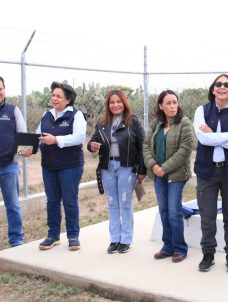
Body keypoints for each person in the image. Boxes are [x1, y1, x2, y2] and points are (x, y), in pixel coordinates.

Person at [193, 74, 228, 273]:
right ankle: (208, 254)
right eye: (218, 84)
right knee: (207, 216)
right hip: (206, 173)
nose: (222, 87)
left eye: (227, 85)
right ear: (213, 89)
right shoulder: (202, 111)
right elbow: (203, 139)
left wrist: (214, 135)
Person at [88, 90, 146, 254]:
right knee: (112, 203)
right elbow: (93, 141)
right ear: (108, 105)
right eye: (112, 102)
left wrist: (142, 170)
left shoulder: (134, 122)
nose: (115, 105)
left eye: (118, 102)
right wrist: (92, 146)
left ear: (124, 103)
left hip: (127, 168)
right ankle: (114, 239)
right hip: (108, 168)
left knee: (125, 204)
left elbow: (144, 147)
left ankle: (126, 239)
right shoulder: (102, 123)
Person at [143, 90, 194, 263]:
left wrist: (164, 168)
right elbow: (146, 146)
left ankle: (180, 248)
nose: (173, 106)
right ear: (161, 106)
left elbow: (185, 149)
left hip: (177, 175)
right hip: (158, 174)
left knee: (174, 211)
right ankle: (168, 246)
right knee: (163, 210)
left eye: (175, 102)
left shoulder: (184, 123)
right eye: (168, 103)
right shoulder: (156, 124)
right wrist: (154, 166)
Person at [37, 82, 87, 251]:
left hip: (70, 165)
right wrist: (28, 147)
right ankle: (53, 236)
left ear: (68, 100)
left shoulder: (76, 114)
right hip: (49, 165)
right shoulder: (46, 115)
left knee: (69, 200)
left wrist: (56, 140)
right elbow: (38, 136)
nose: (54, 98)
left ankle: (73, 236)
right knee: (52, 201)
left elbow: (79, 137)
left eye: (59, 96)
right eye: (53, 95)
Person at [0, 76, 31, 247]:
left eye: (0, 88)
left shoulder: (13, 110)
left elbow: (23, 137)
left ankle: (16, 240)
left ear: (4, 89)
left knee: (12, 206)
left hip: (8, 167)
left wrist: (20, 155)